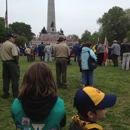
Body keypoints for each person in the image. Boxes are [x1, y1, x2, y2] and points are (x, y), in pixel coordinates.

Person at [11, 62, 66, 130]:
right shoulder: (59, 104)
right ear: (50, 81)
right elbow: (62, 123)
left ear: (26, 80)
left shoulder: (16, 104)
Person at [0, 33, 20, 99]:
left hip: (4, 62)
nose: (14, 38)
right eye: (13, 37)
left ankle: (6, 93)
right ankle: (15, 94)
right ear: (9, 38)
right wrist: (17, 62)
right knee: (15, 79)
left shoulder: (2, 45)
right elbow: (15, 55)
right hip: (12, 63)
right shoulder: (12, 45)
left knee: (6, 79)